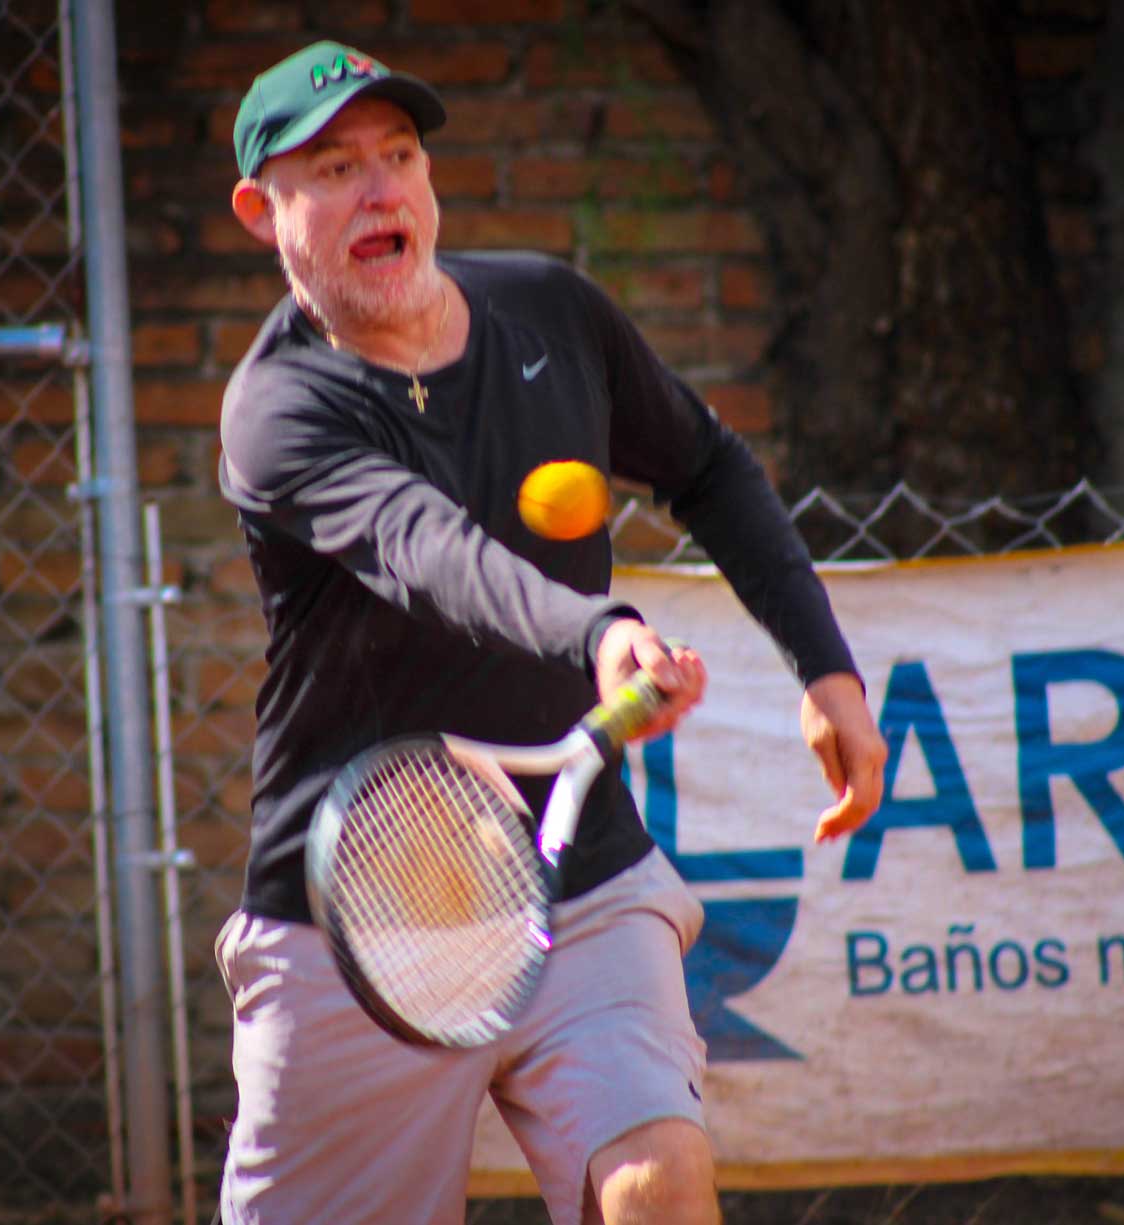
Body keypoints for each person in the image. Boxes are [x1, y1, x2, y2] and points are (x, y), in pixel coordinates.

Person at [214, 39, 888, 1225]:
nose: (379, 190)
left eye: (399, 156)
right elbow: (428, 550)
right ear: (263, 211)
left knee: (658, 1183)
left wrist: (825, 667)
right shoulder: (280, 412)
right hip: (356, 920)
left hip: (574, 876)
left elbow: (711, 467)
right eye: (331, 170)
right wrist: (598, 632)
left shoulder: (550, 313)